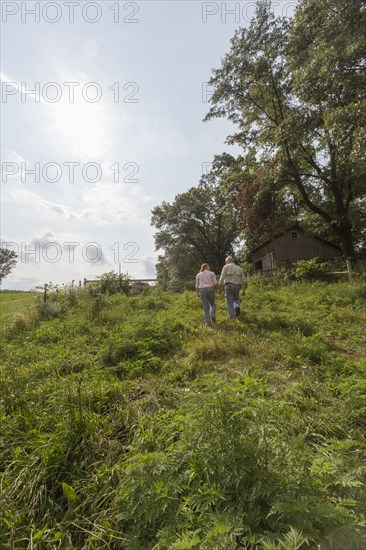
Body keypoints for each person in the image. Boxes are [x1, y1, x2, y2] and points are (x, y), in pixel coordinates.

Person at [219, 256, 246, 320]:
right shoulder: (239, 268)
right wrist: (243, 290)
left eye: (226, 262)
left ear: (227, 261)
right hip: (237, 286)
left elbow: (222, 278)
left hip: (229, 286)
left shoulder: (226, 267)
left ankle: (232, 318)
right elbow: (243, 281)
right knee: (236, 299)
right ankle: (237, 306)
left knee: (229, 302)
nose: (225, 263)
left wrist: (219, 287)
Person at [195, 263, 217, 328]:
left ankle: (208, 324)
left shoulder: (198, 275)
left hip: (202, 290)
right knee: (212, 304)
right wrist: (219, 289)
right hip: (210, 289)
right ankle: (212, 314)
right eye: (209, 266)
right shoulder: (212, 273)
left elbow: (196, 286)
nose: (209, 268)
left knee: (205, 308)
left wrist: (197, 294)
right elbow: (215, 283)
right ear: (207, 267)